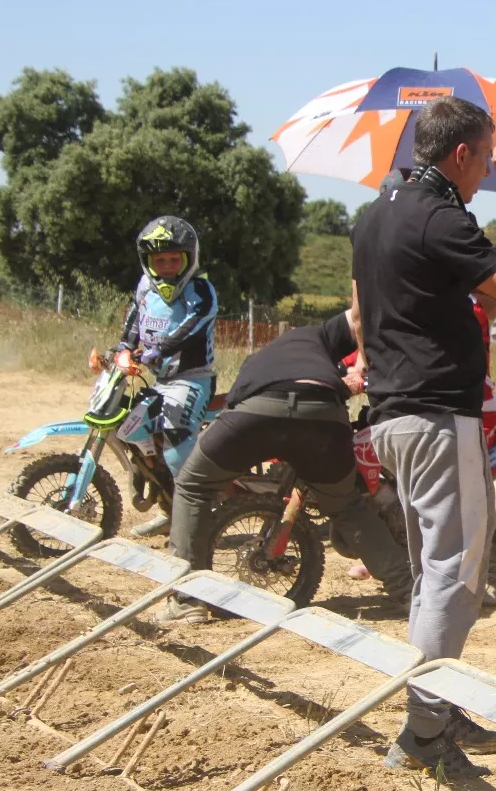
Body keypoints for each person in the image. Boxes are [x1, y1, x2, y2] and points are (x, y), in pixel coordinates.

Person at [351, 96, 496, 777]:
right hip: (439, 416)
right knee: (454, 579)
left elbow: (392, 307)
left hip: (393, 416)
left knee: (430, 576)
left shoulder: (378, 215)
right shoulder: (439, 215)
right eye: (489, 157)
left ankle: (436, 701)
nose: (493, 169)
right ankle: (425, 731)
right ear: (461, 153)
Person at [158, 311, 412, 623]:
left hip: (257, 410)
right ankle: (411, 593)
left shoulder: (267, 355)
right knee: (347, 507)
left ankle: (186, 600)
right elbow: (361, 319)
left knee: (193, 485)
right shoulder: (320, 338)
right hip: (321, 415)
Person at [116, 217, 218, 535]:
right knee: (128, 429)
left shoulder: (199, 289)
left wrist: (159, 349)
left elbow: (192, 326)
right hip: (160, 381)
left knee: (176, 449)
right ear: (149, 262)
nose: (168, 266)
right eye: (160, 260)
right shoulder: (146, 288)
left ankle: (197, 522)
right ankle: (169, 503)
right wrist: (120, 349)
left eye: (175, 259)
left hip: (191, 379)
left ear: (188, 258)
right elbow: (134, 322)